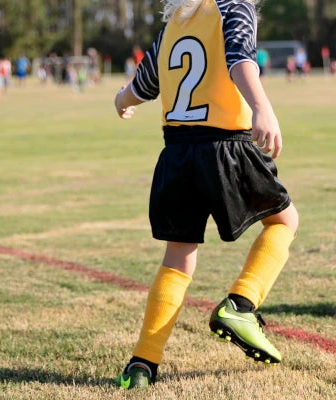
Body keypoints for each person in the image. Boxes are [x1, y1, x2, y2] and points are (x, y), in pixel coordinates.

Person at [111, 0, 298, 389]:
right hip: (224, 145)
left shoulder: (174, 22)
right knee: (284, 220)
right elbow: (239, 58)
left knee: (178, 257)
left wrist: (121, 99)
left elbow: (145, 84)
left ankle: (143, 363)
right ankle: (240, 305)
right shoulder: (233, 7)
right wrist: (263, 107)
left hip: (176, 153)